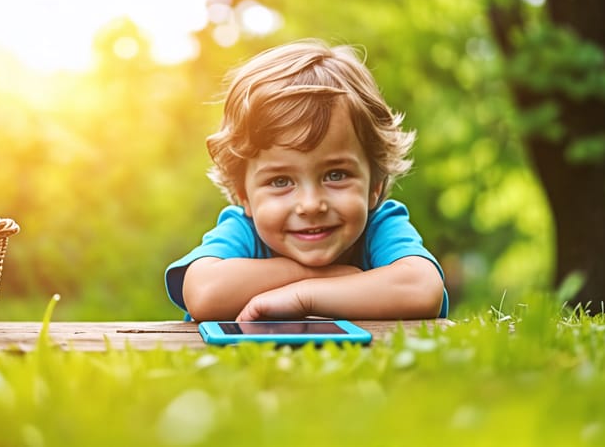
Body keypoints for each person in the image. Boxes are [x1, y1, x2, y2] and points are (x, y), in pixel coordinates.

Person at [164, 39, 448, 322]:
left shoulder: (380, 226)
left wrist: (305, 296)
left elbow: (422, 289)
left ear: (375, 185)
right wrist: (320, 274)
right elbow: (203, 293)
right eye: (280, 181)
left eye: (336, 175)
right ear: (244, 196)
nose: (311, 205)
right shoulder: (244, 231)